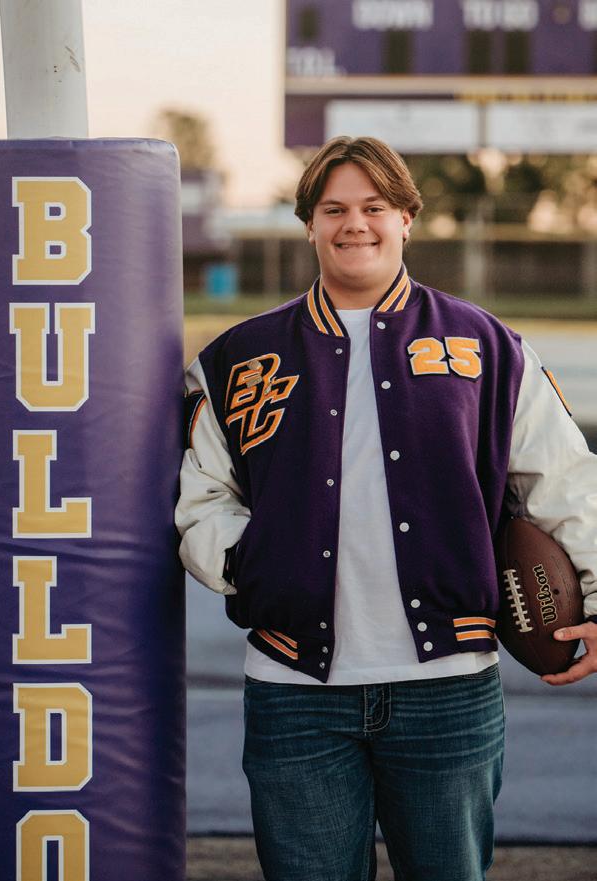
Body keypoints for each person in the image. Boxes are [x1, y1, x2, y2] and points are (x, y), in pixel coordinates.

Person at [175, 136, 597, 881]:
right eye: (334, 209)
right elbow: (202, 497)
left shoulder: (486, 346)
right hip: (294, 690)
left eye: (373, 207)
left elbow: (563, 482)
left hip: (448, 688)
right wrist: (254, 564)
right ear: (309, 224)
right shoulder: (239, 357)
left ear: (406, 217)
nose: (354, 224)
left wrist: (595, 595)